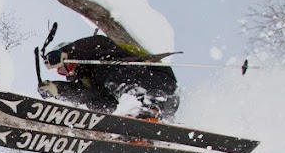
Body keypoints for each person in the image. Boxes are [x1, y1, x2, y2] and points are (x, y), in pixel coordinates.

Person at [38, 33, 180, 120]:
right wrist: (57, 90)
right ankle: (138, 123)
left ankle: (145, 108)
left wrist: (67, 52)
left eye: (65, 67)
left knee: (107, 72)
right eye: (62, 72)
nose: (68, 73)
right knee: (95, 102)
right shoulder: (91, 80)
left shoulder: (101, 53)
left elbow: (99, 42)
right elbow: (83, 95)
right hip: (165, 108)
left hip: (158, 81)